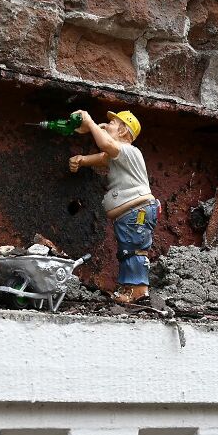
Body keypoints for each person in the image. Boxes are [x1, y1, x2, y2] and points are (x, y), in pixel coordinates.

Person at [69, 110, 158, 304]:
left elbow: (106, 145)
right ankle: (129, 289)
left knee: (134, 249)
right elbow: (103, 157)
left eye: (112, 123)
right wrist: (82, 160)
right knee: (127, 250)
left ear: (124, 131)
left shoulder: (128, 151)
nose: (106, 125)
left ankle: (138, 291)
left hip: (137, 211)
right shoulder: (117, 155)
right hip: (129, 214)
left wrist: (91, 123)